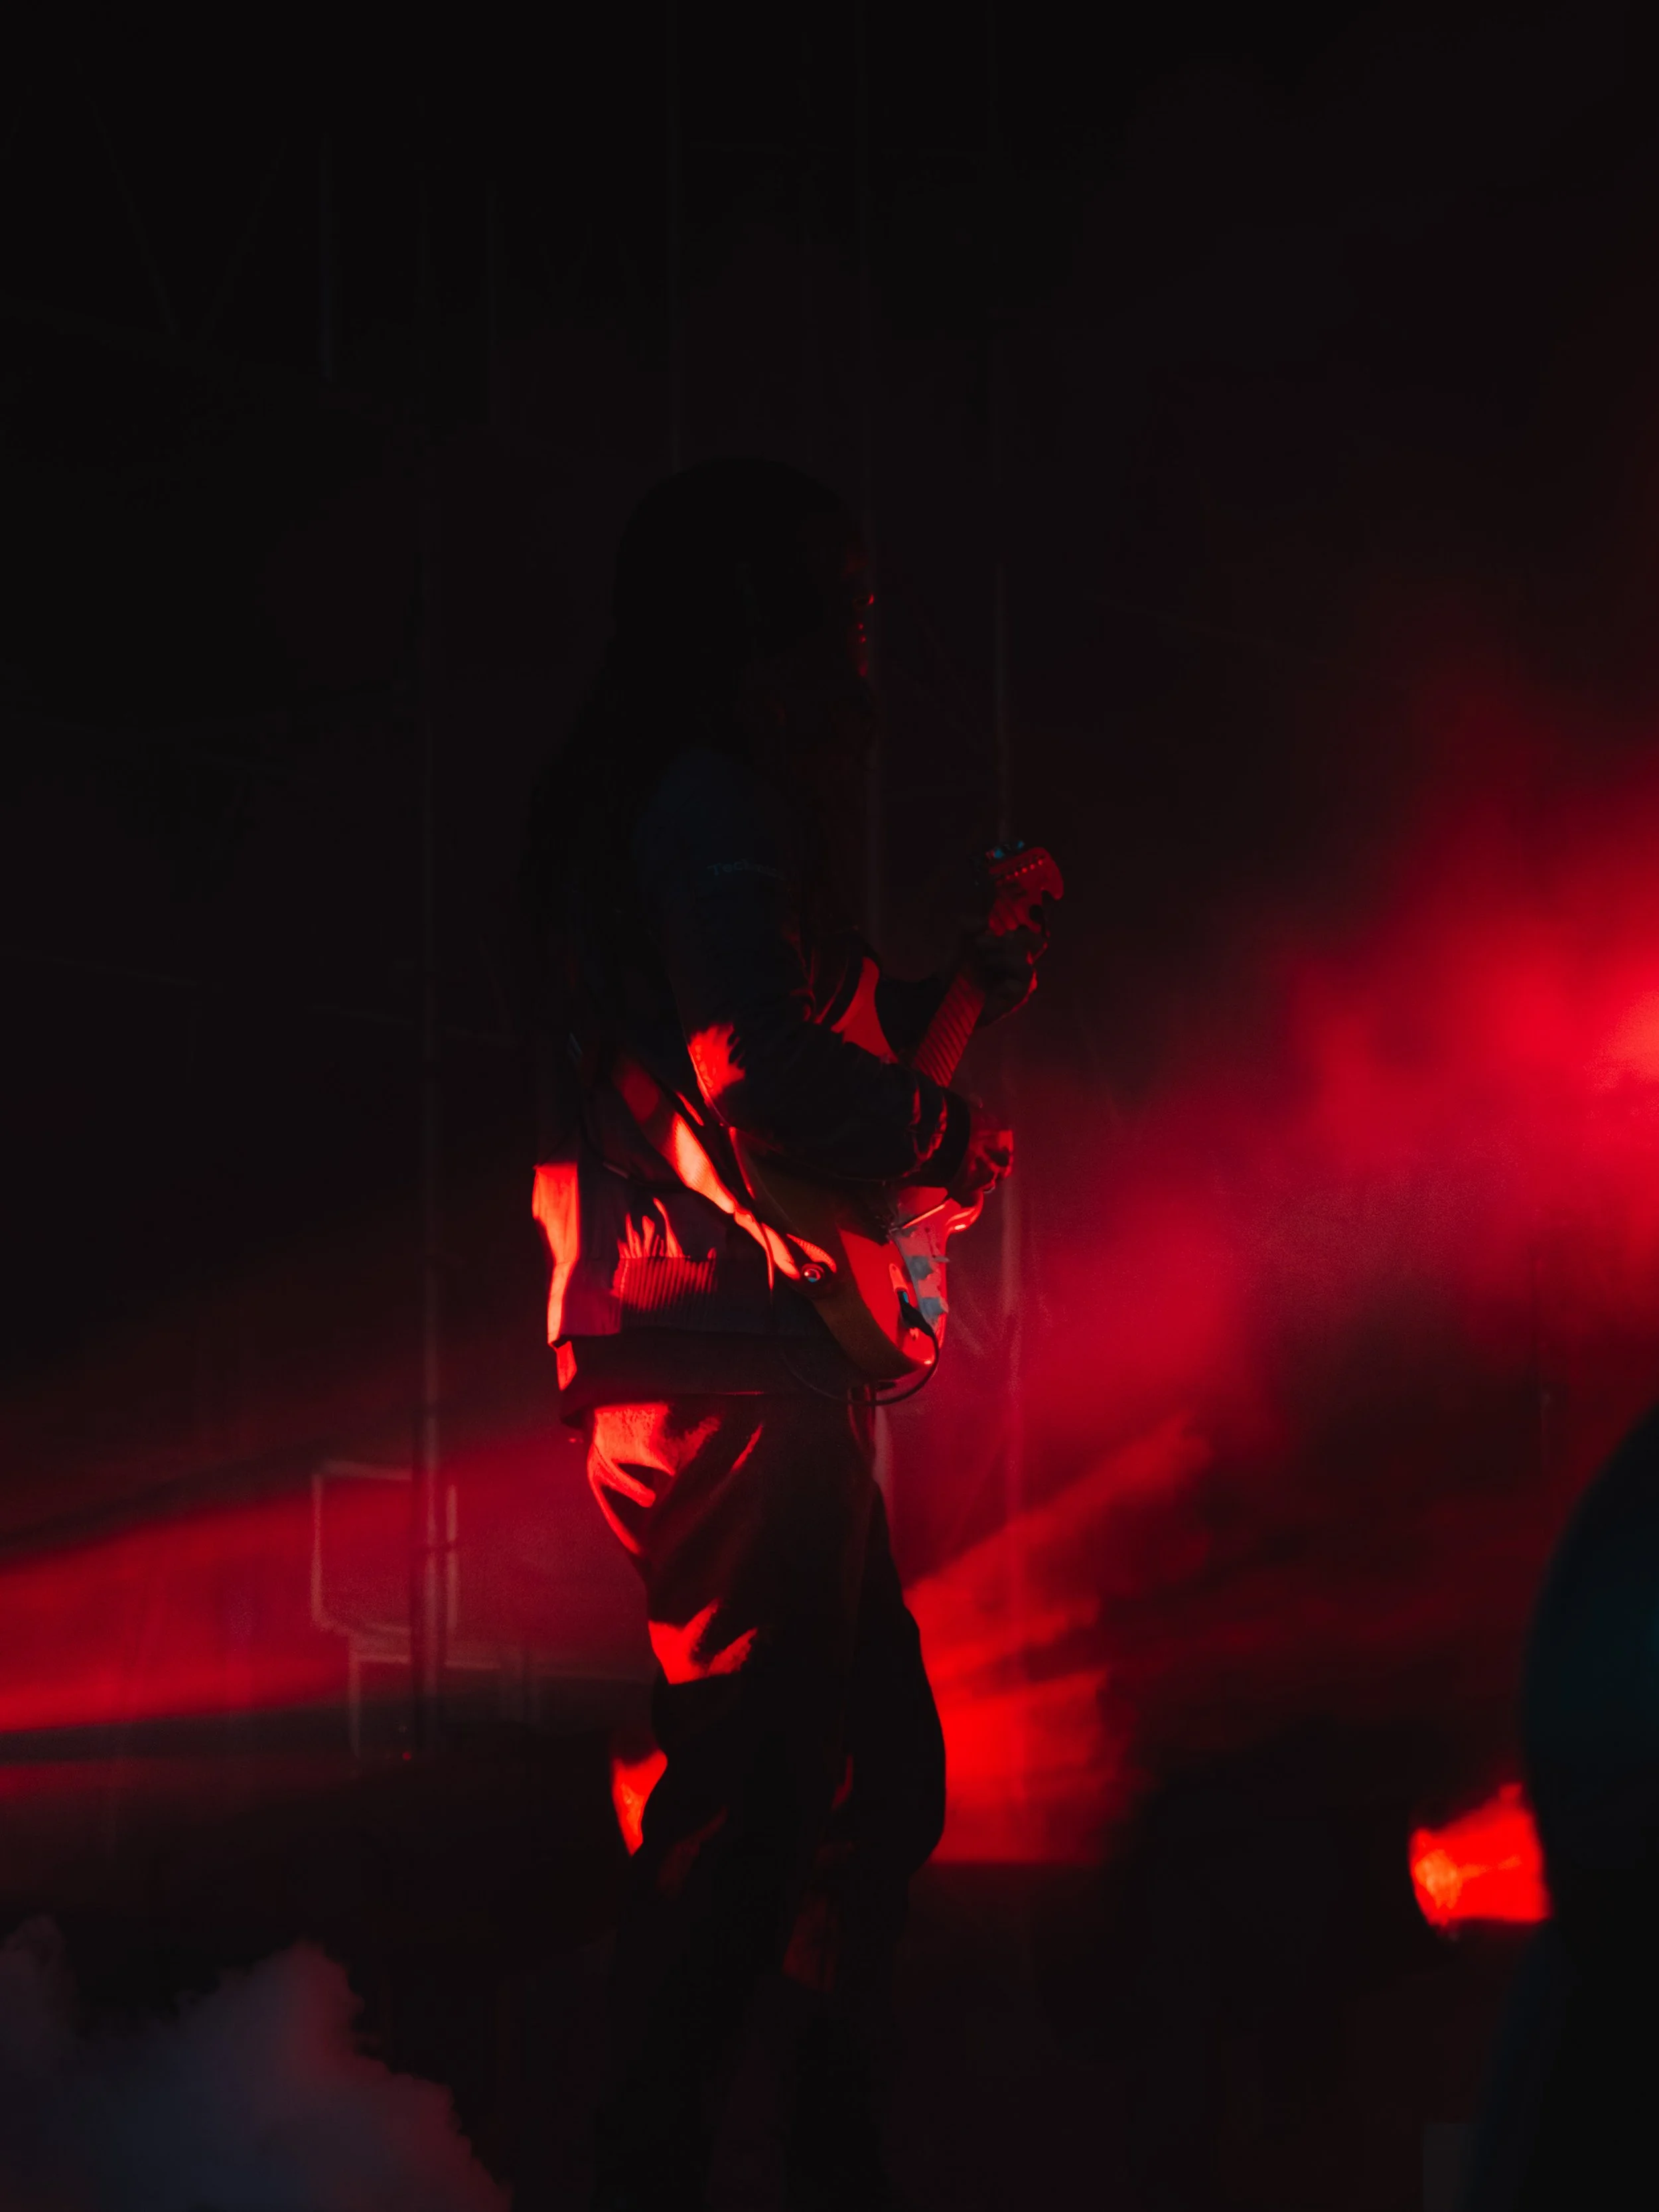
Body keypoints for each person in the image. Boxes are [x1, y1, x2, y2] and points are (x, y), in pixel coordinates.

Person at [521, 458, 1045, 2211]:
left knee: (859, 1787)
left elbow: (820, 1062)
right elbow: (766, 1078)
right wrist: (940, 1140)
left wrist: (961, 989)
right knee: (764, 1821)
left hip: (743, 1371)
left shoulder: (704, 819)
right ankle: (664, 2165)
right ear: (763, 638)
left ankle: (788, 2149)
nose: (867, 653)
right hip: (725, 1377)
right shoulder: (713, 807)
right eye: (847, 609)